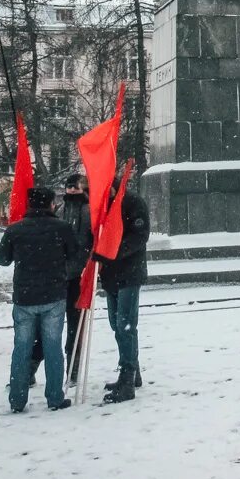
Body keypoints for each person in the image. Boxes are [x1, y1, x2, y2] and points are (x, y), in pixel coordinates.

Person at [0, 187, 78, 413]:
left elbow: (1, 259)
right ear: (51, 204)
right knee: (53, 347)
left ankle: (17, 399)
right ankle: (54, 397)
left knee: (22, 348)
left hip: (24, 297)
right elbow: (75, 255)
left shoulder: (16, 230)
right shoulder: (62, 228)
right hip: (54, 295)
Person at [95, 173, 150, 404]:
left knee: (125, 325)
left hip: (129, 273)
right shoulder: (103, 206)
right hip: (110, 275)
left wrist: (112, 252)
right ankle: (132, 371)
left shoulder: (133, 202)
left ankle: (127, 378)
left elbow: (140, 236)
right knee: (116, 324)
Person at [55, 173, 93, 372]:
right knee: (52, 324)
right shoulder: (60, 209)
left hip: (78, 274)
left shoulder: (88, 210)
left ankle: (73, 365)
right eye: (69, 186)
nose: (71, 189)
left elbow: (92, 238)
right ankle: (35, 366)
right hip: (60, 274)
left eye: (75, 186)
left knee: (74, 323)